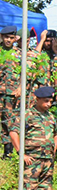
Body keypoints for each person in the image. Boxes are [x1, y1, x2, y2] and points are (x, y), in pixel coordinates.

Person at [10, 86, 57, 190]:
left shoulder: (50, 117)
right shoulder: (27, 115)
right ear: (37, 99)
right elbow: (13, 132)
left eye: (50, 101)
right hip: (33, 160)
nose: (49, 104)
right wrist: (21, 153)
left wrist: (54, 150)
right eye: (46, 101)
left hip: (47, 160)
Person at [0, 25, 19, 159]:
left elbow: (25, 72)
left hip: (12, 92)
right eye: (6, 37)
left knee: (9, 120)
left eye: (11, 38)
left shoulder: (19, 53)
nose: (8, 40)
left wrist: (20, 88)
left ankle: (8, 150)